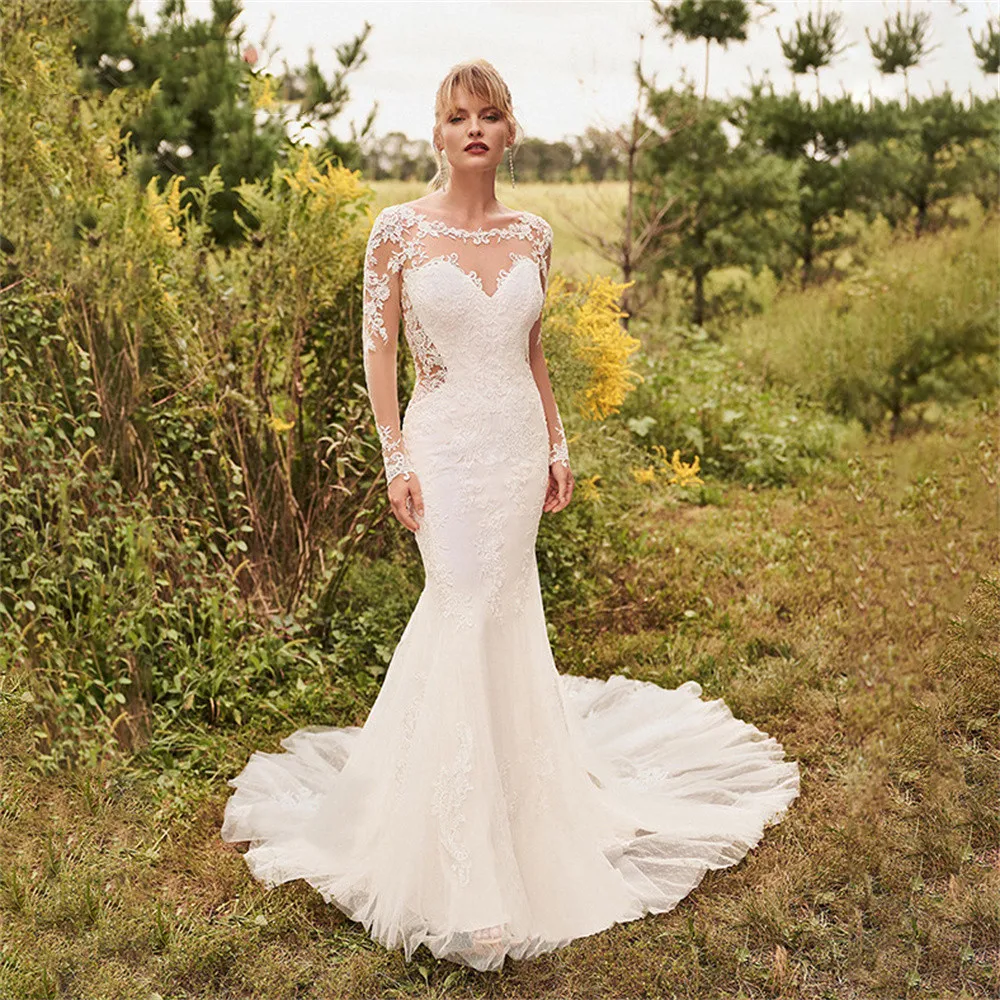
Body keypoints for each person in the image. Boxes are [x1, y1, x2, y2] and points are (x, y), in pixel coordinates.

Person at [220, 58, 800, 973]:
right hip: (443, 447)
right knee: (462, 604)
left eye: (490, 114)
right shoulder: (396, 231)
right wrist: (394, 458)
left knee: (502, 610)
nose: (475, 129)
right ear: (439, 136)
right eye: (459, 117)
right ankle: (453, 858)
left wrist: (560, 443)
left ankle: (514, 819)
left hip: (517, 446)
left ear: (509, 131)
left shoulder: (534, 234)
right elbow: (376, 357)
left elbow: (532, 355)